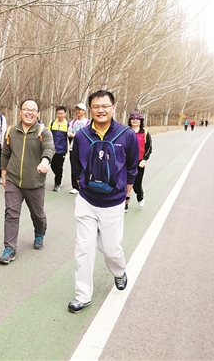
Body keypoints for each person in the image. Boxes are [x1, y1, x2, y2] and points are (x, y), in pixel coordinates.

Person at [68, 90, 139, 313]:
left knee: (111, 249)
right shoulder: (81, 135)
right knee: (84, 248)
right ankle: (82, 294)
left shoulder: (125, 134)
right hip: (87, 200)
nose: (101, 110)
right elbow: (76, 165)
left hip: (113, 202)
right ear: (90, 109)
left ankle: (119, 272)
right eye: (96, 106)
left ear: (113, 107)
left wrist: (125, 195)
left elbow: (131, 169)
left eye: (105, 106)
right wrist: (82, 184)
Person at [0, 99, 55, 265]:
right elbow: (6, 153)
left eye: (33, 110)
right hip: (13, 180)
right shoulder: (11, 131)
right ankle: (9, 249)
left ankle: (39, 233)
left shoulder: (43, 132)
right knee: (11, 214)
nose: (29, 113)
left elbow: (49, 147)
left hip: (35, 182)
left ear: (37, 113)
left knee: (38, 214)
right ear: (20, 111)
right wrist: (3, 172)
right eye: (26, 109)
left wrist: (45, 161)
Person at [127, 112, 152, 211]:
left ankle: (140, 197)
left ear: (141, 121)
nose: (135, 120)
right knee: (125, 183)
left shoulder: (145, 133)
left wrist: (145, 160)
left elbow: (149, 148)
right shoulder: (126, 132)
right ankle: (125, 204)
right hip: (126, 162)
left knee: (137, 184)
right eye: (133, 118)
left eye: (137, 119)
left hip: (139, 162)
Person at [67, 103, 90, 194]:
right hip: (74, 147)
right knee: (74, 166)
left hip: (86, 148)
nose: (78, 111)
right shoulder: (73, 122)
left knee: (85, 166)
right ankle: (75, 186)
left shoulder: (88, 122)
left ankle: (86, 184)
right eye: (77, 109)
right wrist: (77, 136)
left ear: (84, 111)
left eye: (80, 110)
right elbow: (69, 133)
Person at [48, 106, 69, 192]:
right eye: (58, 113)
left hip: (62, 150)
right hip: (52, 148)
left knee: (59, 166)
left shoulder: (67, 124)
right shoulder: (52, 123)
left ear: (65, 114)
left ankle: (57, 183)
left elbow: (69, 137)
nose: (60, 115)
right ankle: (59, 175)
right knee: (53, 165)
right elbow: (48, 134)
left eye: (61, 113)